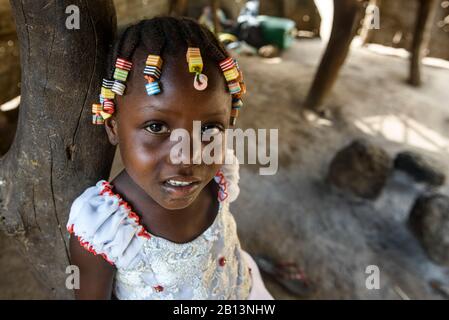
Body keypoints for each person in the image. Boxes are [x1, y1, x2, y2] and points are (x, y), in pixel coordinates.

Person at [66, 16, 273, 300]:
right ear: (113, 126)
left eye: (210, 128)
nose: (187, 157)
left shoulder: (219, 175)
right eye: (156, 127)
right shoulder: (105, 232)